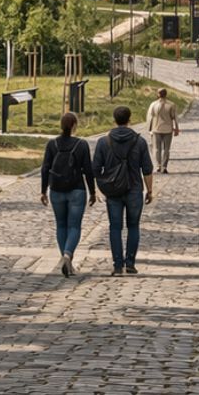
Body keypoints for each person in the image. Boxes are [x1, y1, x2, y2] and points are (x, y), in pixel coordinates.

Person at [92, 105, 155, 276]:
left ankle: (117, 265)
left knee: (115, 227)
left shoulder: (104, 142)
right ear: (129, 119)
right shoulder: (139, 142)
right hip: (134, 189)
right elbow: (147, 169)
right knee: (133, 226)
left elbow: (95, 168)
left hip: (113, 190)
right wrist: (149, 190)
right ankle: (130, 263)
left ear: (114, 120)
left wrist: (100, 187)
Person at [39, 110, 97, 277]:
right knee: (74, 226)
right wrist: (92, 192)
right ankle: (67, 255)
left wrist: (43, 191)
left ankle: (66, 260)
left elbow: (45, 168)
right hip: (77, 189)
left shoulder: (52, 144)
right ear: (74, 126)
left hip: (56, 190)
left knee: (61, 225)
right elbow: (88, 170)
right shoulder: (81, 144)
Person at [144, 88, 181, 173]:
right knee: (167, 149)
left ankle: (158, 165)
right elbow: (175, 117)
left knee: (157, 148)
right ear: (166, 94)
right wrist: (177, 128)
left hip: (156, 128)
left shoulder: (153, 104)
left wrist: (149, 129)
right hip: (168, 129)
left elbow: (150, 117)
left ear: (158, 94)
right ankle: (164, 166)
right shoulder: (171, 105)